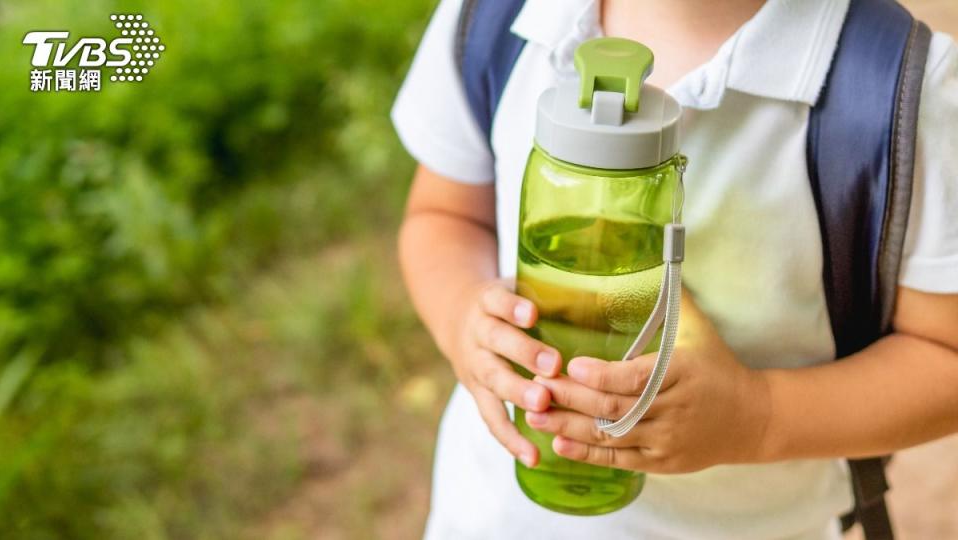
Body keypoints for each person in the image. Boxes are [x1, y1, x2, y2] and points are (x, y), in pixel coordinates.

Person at [391, 0, 958, 538]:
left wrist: (759, 417)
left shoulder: (894, 88)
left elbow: (945, 357)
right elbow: (444, 215)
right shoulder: (502, 16)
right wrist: (462, 316)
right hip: (491, 517)